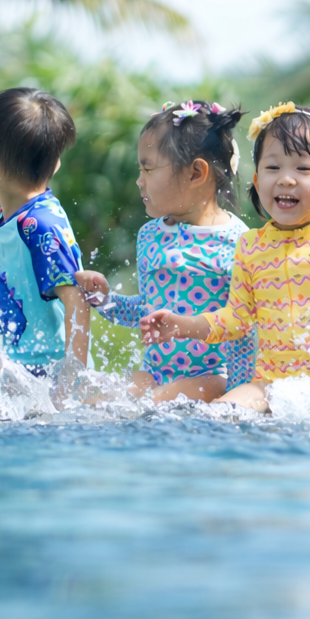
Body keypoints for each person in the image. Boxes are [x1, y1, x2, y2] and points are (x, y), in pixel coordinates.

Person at [139, 102, 310, 413]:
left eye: (303, 169)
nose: (285, 179)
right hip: (270, 384)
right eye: (273, 168)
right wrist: (184, 326)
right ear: (257, 181)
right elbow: (236, 320)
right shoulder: (251, 246)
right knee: (220, 414)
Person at [73, 101, 256, 404]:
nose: (139, 180)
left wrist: (239, 394)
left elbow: (242, 327)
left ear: (196, 173)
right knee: (98, 401)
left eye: (148, 168)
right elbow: (146, 313)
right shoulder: (150, 236)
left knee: (148, 404)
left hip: (213, 378)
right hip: (155, 373)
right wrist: (106, 302)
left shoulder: (239, 243)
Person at [0, 87, 89, 378]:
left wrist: (70, 382)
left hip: (48, 375)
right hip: (15, 373)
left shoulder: (42, 226)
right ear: (56, 163)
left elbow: (77, 301)